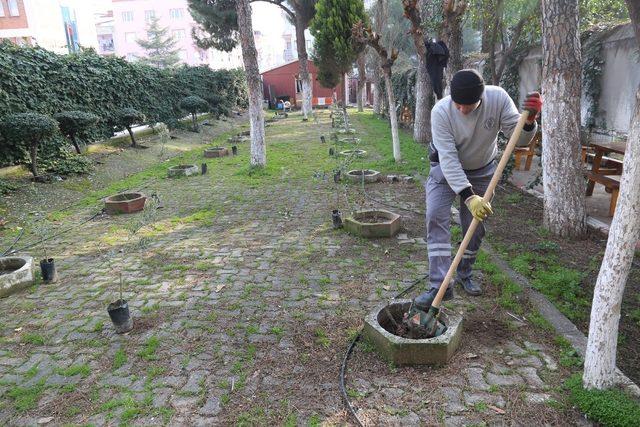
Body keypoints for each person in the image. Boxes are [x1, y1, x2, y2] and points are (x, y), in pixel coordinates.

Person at [414, 69, 542, 311]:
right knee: (435, 216)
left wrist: (529, 122)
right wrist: (468, 196)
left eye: (469, 105)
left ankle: (464, 272)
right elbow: (449, 160)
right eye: (458, 104)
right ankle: (440, 285)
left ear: (481, 97)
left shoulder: (498, 98)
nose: (462, 110)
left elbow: (519, 140)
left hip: (483, 170)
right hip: (444, 170)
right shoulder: (441, 111)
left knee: (476, 225)